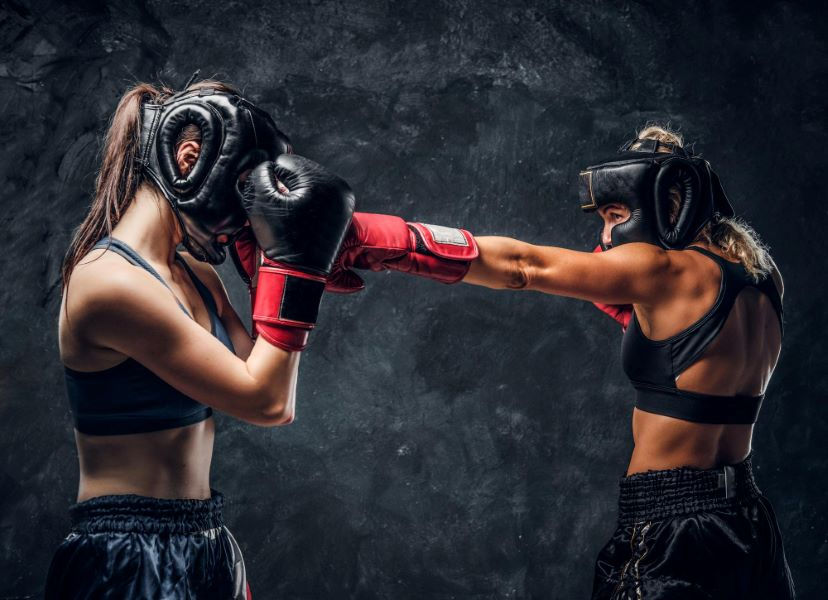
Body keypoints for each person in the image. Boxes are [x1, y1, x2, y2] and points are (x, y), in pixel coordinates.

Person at [328, 126, 795, 598]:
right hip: (748, 521)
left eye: (616, 216)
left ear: (665, 205)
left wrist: (374, 237)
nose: (607, 235)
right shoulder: (763, 275)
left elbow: (522, 266)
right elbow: (700, 371)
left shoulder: (662, 271)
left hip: (669, 523)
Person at [47, 78, 354, 599]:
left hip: (206, 537)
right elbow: (268, 402)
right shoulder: (109, 283)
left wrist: (281, 261)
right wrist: (295, 266)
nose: (248, 216)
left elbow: (263, 373)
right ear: (189, 159)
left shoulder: (197, 274)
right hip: (126, 554)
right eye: (244, 189)